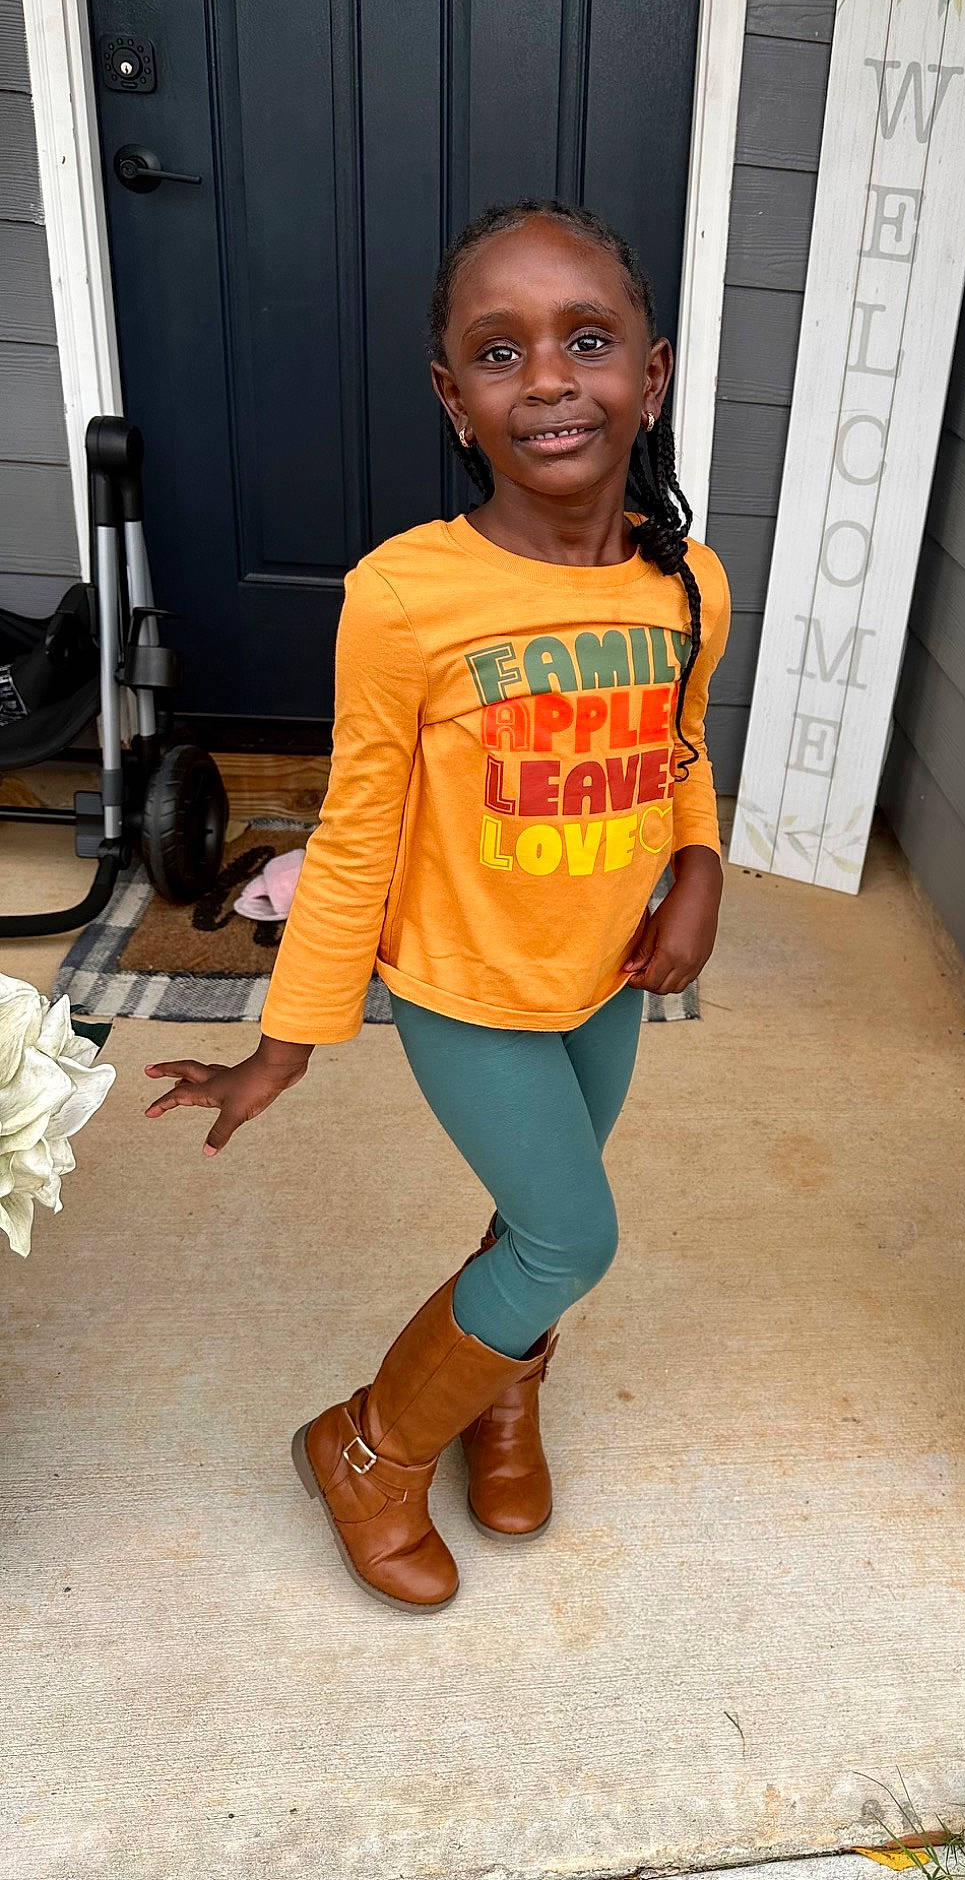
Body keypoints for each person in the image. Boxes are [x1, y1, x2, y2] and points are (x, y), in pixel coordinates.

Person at [143, 200, 731, 1611]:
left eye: (587, 341)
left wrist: (699, 866)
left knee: (533, 1218)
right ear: (454, 400)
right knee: (570, 1236)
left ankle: (501, 1401)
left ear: (648, 377)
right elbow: (354, 834)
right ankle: (366, 1447)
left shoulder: (685, 576)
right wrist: (288, 1038)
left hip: (605, 974)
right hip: (468, 993)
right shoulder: (407, 595)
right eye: (498, 350)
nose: (547, 378)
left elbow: (683, 744)